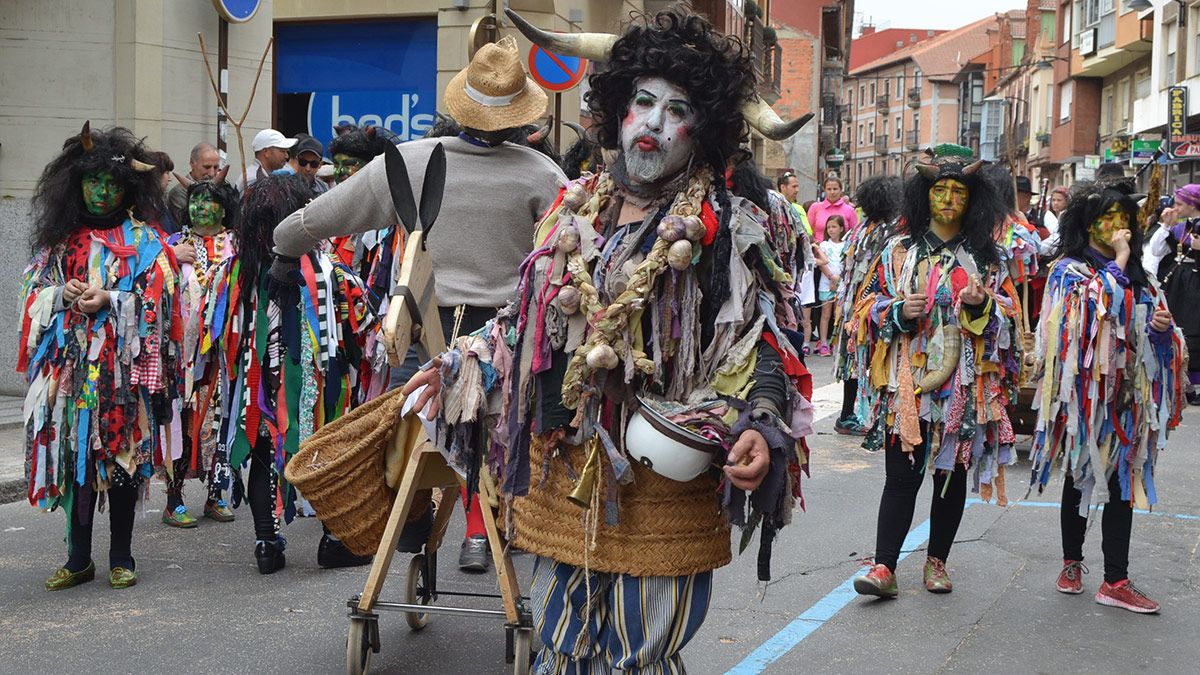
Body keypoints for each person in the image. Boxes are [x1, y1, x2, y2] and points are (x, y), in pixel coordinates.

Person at [401, 8, 812, 671]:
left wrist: (761, 424)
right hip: (569, 477)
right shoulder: (575, 209)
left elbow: (765, 339)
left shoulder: (727, 228)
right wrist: (464, 361)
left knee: (635, 652)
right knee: (561, 644)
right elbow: (521, 321)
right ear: (618, 110)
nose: (652, 122)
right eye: (642, 102)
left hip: (665, 484)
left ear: (702, 128)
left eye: (676, 109)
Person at [271, 36, 566, 572]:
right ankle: (480, 533)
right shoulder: (542, 175)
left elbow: (327, 214)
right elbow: (567, 258)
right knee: (489, 433)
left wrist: (282, 244)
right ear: (522, 118)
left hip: (421, 328)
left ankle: (409, 518)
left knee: (409, 424)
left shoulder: (410, 160)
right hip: (504, 339)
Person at [851, 144, 1020, 598]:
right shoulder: (896, 250)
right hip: (907, 382)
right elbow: (862, 309)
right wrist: (896, 310)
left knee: (951, 474)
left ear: (974, 200)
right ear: (923, 195)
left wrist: (983, 305)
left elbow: (1010, 315)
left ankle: (937, 562)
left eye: (958, 191)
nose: (948, 198)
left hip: (966, 386)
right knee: (901, 476)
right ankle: (884, 566)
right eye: (939, 189)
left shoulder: (987, 257)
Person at [21, 123, 181, 590]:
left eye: (111, 183)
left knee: (123, 460)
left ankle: (122, 555)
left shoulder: (146, 240)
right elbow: (30, 291)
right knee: (76, 458)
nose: (101, 191)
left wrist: (111, 299)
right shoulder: (61, 240)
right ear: (77, 183)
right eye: (93, 181)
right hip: (69, 374)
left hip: (122, 377)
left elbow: (162, 303)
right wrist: (60, 293)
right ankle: (78, 558)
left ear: (127, 187)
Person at [201, 174, 375, 573]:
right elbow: (363, 323)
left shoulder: (231, 272)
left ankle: (266, 544)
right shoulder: (329, 270)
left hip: (256, 384)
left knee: (262, 455)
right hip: (314, 385)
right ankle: (333, 541)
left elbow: (212, 327)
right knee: (324, 457)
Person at [1030, 179, 1184, 613]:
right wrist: (1118, 260)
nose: (1120, 228)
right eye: (1109, 220)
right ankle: (1072, 562)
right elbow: (1091, 313)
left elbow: (1161, 333)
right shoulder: (1068, 270)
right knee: (1080, 477)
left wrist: (1160, 330)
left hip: (1128, 397)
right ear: (1088, 225)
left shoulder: (1143, 275)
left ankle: (1116, 577)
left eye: (1125, 220)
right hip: (1083, 396)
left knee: (1122, 482)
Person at [160, 167, 240, 528]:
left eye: (209, 202)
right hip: (183, 355)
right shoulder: (172, 243)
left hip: (222, 353)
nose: (201, 208)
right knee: (182, 421)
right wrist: (171, 258)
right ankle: (173, 499)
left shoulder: (236, 244)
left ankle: (214, 495)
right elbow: (152, 281)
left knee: (220, 422)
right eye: (195, 201)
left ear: (223, 209)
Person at [834, 175, 901, 435]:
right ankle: (859, 415)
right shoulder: (888, 234)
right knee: (867, 359)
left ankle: (848, 414)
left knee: (854, 359)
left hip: (853, 306)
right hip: (871, 307)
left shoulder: (858, 232)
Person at [1149, 185, 1200, 404]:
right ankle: (1185, 382)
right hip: (1180, 285)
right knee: (1181, 328)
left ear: (1192, 204)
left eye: (1179, 204)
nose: (1175, 208)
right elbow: (1156, 250)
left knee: (1195, 329)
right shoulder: (1180, 228)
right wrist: (1164, 227)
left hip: (1196, 283)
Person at [815, 215, 847, 356]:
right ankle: (823, 343)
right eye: (829, 227)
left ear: (841, 228)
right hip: (826, 284)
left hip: (841, 284)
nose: (831, 230)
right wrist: (831, 277)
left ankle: (837, 342)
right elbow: (822, 264)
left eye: (834, 227)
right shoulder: (824, 245)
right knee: (825, 314)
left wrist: (839, 279)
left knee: (838, 315)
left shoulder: (846, 245)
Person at [168, 142, 221, 225]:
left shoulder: (222, 190)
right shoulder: (179, 193)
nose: (212, 173)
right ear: (192, 164)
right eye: (206, 167)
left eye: (216, 167)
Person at [807, 174, 858, 244]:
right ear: (824, 190)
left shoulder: (849, 210)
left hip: (841, 252)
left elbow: (854, 234)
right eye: (829, 189)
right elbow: (808, 231)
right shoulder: (815, 207)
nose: (832, 192)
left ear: (840, 190)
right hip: (818, 251)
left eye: (835, 189)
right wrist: (816, 244)